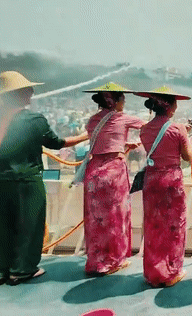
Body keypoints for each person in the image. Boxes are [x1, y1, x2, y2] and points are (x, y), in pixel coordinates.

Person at [0, 71, 89, 285]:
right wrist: (85, 136)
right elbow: (56, 143)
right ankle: (22, 270)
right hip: (26, 182)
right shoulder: (34, 120)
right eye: (27, 89)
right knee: (29, 225)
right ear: (19, 94)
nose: (32, 92)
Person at [136, 86, 192, 287]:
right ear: (171, 107)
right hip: (171, 181)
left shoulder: (144, 129)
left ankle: (153, 272)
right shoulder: (178, 128)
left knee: (153, 225)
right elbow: (187, 156)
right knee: (173, 225)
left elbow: (161, 142)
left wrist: (182, 132)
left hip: (151, 179)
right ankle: (170, 272)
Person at [81, 83, 144, 276]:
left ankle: (96, 261)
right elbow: (149, 128)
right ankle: (114, 260)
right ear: (115, 101)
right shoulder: (122, 118)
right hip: (113, 171)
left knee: (95, 218)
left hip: (93, 171)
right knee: (115, 217)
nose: (124, 103)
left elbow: (105, 141)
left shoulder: (92, 121)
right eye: (122, 99)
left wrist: (124, 144)